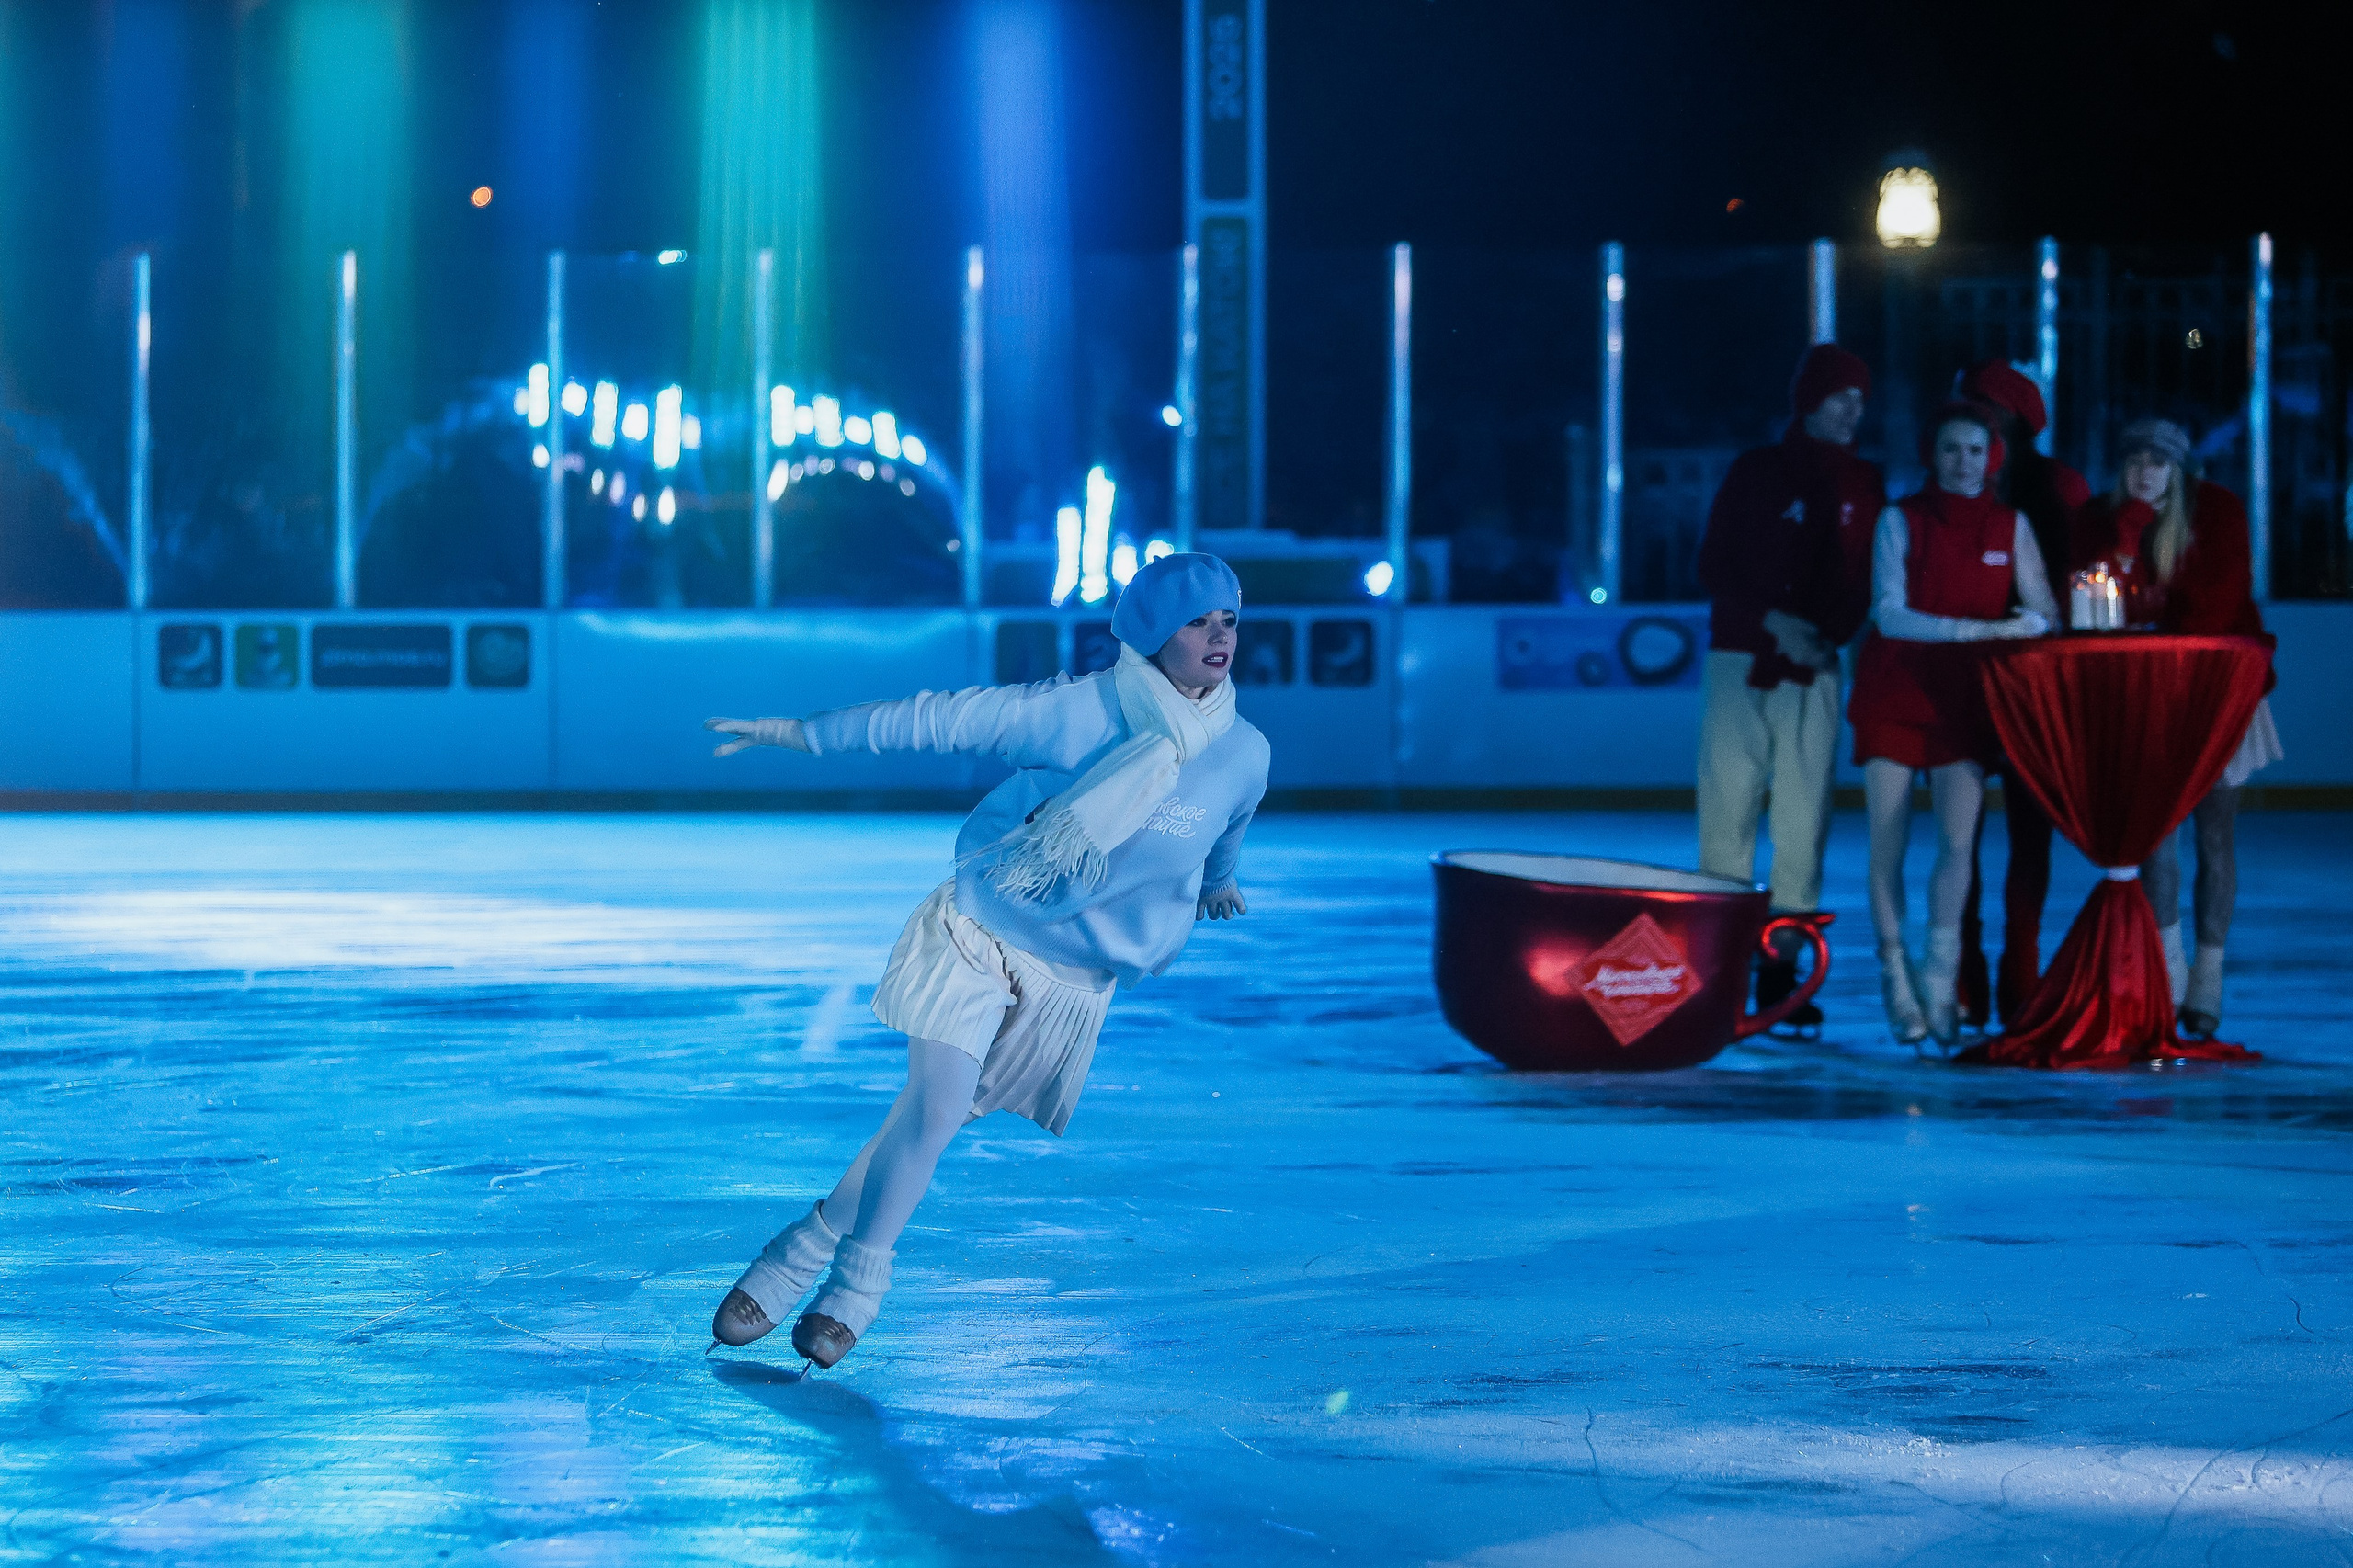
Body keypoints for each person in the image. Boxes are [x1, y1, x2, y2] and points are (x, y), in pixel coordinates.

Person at [698, 552, 1269, 1367]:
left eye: (1229, 620)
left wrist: (1220, 881)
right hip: (981, 930)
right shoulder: (1079, 712)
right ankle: (854, 1291)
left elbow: (1230, 827)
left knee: (921, 1126)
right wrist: (801, 736)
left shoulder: (1245, 751)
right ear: (1151, 632)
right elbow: (935, 719)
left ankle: (803, 1243)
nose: (1219, 637)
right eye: (1197, 620)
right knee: (934, 1110)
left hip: (1070, 981)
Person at [1848, 403, 2057, 1047]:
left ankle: (1938, 982)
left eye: (1974, 450)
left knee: (1958, 846)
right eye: (1950, 449)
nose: (1962, 461)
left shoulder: (2009, 525)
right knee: (1888, 843)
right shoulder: (1900, 519)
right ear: (1931, 454)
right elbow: (1890, 614)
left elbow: (2044, 609)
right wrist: (1979, 631)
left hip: (1964, 704)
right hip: (1894, 692)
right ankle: (1894, 976)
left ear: (1991, 457)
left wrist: (2022, 625)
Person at [1695, 343, 1883, 1032]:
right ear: (1808, 400)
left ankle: (1781, 967)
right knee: (1728, 809)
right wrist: (1776, 620)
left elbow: (1865, 577)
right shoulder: (1757, 471)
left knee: (1803, 820)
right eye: (1840, 397)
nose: (1852, 410)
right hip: (1741, 657)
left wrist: (1825, 634)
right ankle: (1718, 960)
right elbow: (1714, 562)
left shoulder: (1865, 483)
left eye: (1860, 400)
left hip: (1815, 666)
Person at [2072, 417, 2281, 1038]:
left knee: (2216, 837)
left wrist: (2146, 610)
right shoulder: (2099, 517)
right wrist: (2127, 541)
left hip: (2218, 692)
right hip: (2143, 700)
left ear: (2178, 468)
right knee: (2155, 839)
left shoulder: (2217, 511)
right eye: (2134, 459)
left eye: (2157, 460)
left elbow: (2214, 607)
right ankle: (2168, 974)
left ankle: (2207, 981)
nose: (2144, 471)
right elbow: (2092, 606)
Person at [1950, 362, 2094, 1027]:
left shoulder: (2057, 487)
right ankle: (1973, 969)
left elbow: (2080, 583)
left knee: (2027, 836)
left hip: (2035, 677)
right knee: (1962, 836)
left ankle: (2019, 970)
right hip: (1966, 676)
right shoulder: (1952, 483)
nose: (1974, 416)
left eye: (1984, 406)